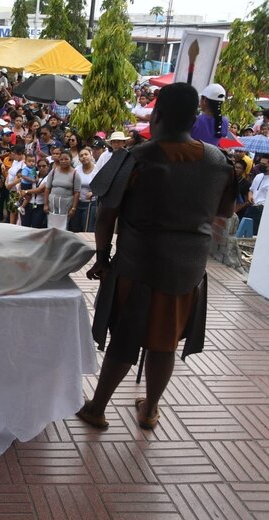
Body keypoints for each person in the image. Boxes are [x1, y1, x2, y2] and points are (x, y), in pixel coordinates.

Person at [76, 83, 235, 431]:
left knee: (126, 337)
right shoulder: (219, 161)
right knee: (164, 342)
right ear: (194, 118)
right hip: (187, 270)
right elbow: (223, 211)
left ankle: (98, 408)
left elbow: (105, 215)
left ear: (157, 115)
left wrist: (102, 258)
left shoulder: (135, 158)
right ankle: (149, 409)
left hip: (138, 265)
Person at [44, 149, 80, 229]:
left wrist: (73, 208)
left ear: (71, 160)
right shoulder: (54, 171)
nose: (64, 161)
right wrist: (46, 204)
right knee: (51, 225)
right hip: (52, 204)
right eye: (61, 159)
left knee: (63, 227)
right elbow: (47, 188)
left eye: (66, 159)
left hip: (66, 205)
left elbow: (77, 192)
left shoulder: (75, 174)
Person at [69, 147, 98, 232]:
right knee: (75, 228)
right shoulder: (77, 169)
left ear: (91, 155)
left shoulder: (97, 169)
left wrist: (93, 192)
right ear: (79, 159)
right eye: (81, 156)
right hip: (77, 203)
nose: (84, 157)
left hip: (91, 204)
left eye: (86, 154)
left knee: (88, 228)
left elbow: (102, 185)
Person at [246, 155, 268, 235]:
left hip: (262, 210)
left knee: (255, 234)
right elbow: (251, 190)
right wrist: (250, 196)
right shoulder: (258, 176)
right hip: (251, 207)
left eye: (264, 164)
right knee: (245, 232)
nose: (261, 166)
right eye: (260, 163)